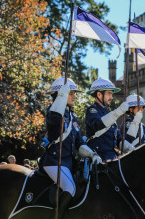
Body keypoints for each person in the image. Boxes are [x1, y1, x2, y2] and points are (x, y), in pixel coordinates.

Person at [39, 76, 101, 219]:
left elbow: (79, 143)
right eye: (70, 93)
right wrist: (61, 96)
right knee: (70, 188)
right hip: (54, 161)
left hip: (68, 163)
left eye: (74, 93)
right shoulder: (53, 110)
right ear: (61, 93)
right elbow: (54, 120)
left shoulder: (73, 116)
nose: (74, 96)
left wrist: (92, 154)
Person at [85, 78, 134, 162]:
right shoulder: (92, 110)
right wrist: (118, 111)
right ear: (99, 94)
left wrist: (133, 150)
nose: (111, 97)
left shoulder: (108, 113)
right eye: (109, 94)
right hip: (98, 158)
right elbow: (97, 124)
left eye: (112, 94)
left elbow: (119, 139)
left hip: (112, 157)